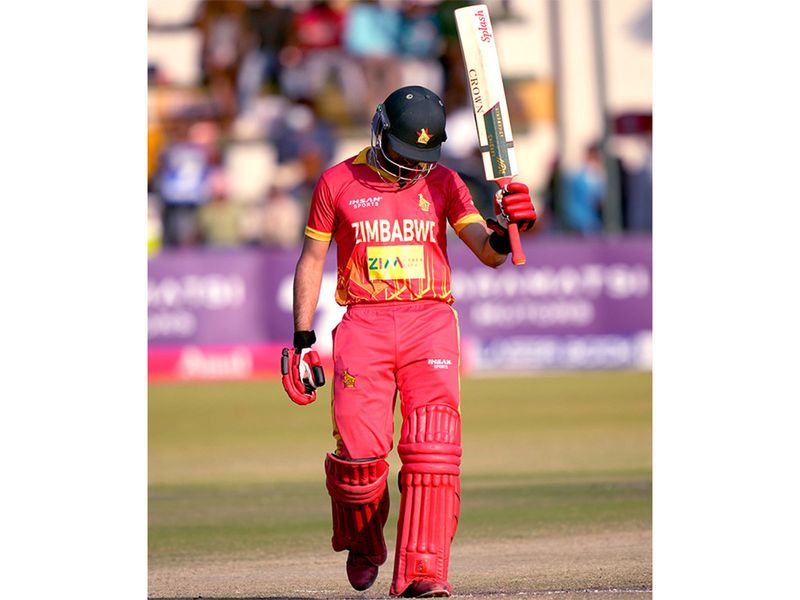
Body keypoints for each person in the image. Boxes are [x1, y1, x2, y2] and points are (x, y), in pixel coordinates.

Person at [280, 86, 536, 598]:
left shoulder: (444, 182)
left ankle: (423, 571)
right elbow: (311, 260)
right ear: (380, 131)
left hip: (429, 322)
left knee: (432, 450)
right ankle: (363, 541)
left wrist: (509, 227)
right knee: (358, 461)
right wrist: (303, 340)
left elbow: (488, 252)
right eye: (401, 154)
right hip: (365, 323)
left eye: (420, 158)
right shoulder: (337, 181)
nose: (409, 168)